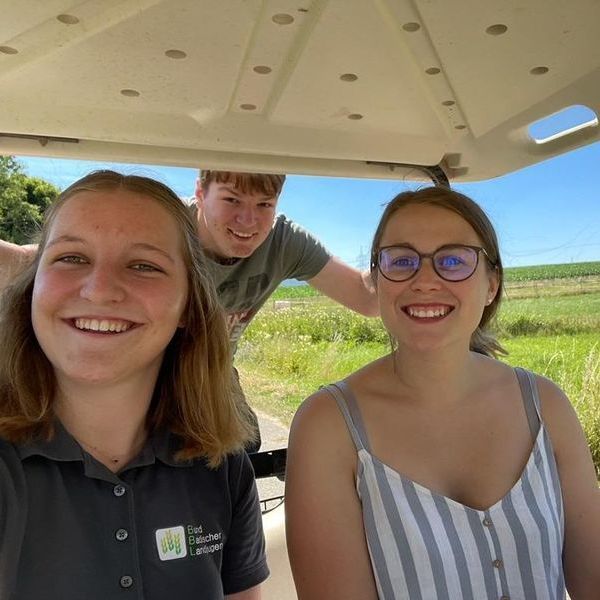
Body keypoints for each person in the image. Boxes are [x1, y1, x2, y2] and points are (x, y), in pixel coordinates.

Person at [285, 186, 600, 599]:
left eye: (454, 260)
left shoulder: (545, 406)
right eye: (402, 260)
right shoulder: (328, 427)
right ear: (376, 281)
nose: (425, 281)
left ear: (491, 284)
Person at [0, 171, 268, 599]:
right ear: (32, 288)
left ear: (189, 305)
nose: (99, 290)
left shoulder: (224, 467)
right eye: (72, 258)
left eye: (144, 266)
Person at [0, 169, 379, 451]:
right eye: (232, 200)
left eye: (264, 204)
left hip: (207, 369)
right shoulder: (164, 225)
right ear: (200, 192)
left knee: (242, 443)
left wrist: (402, 256)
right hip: (143, 367)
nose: (248, 221)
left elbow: (366, 297)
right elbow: (34, 262)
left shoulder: (285, 243)